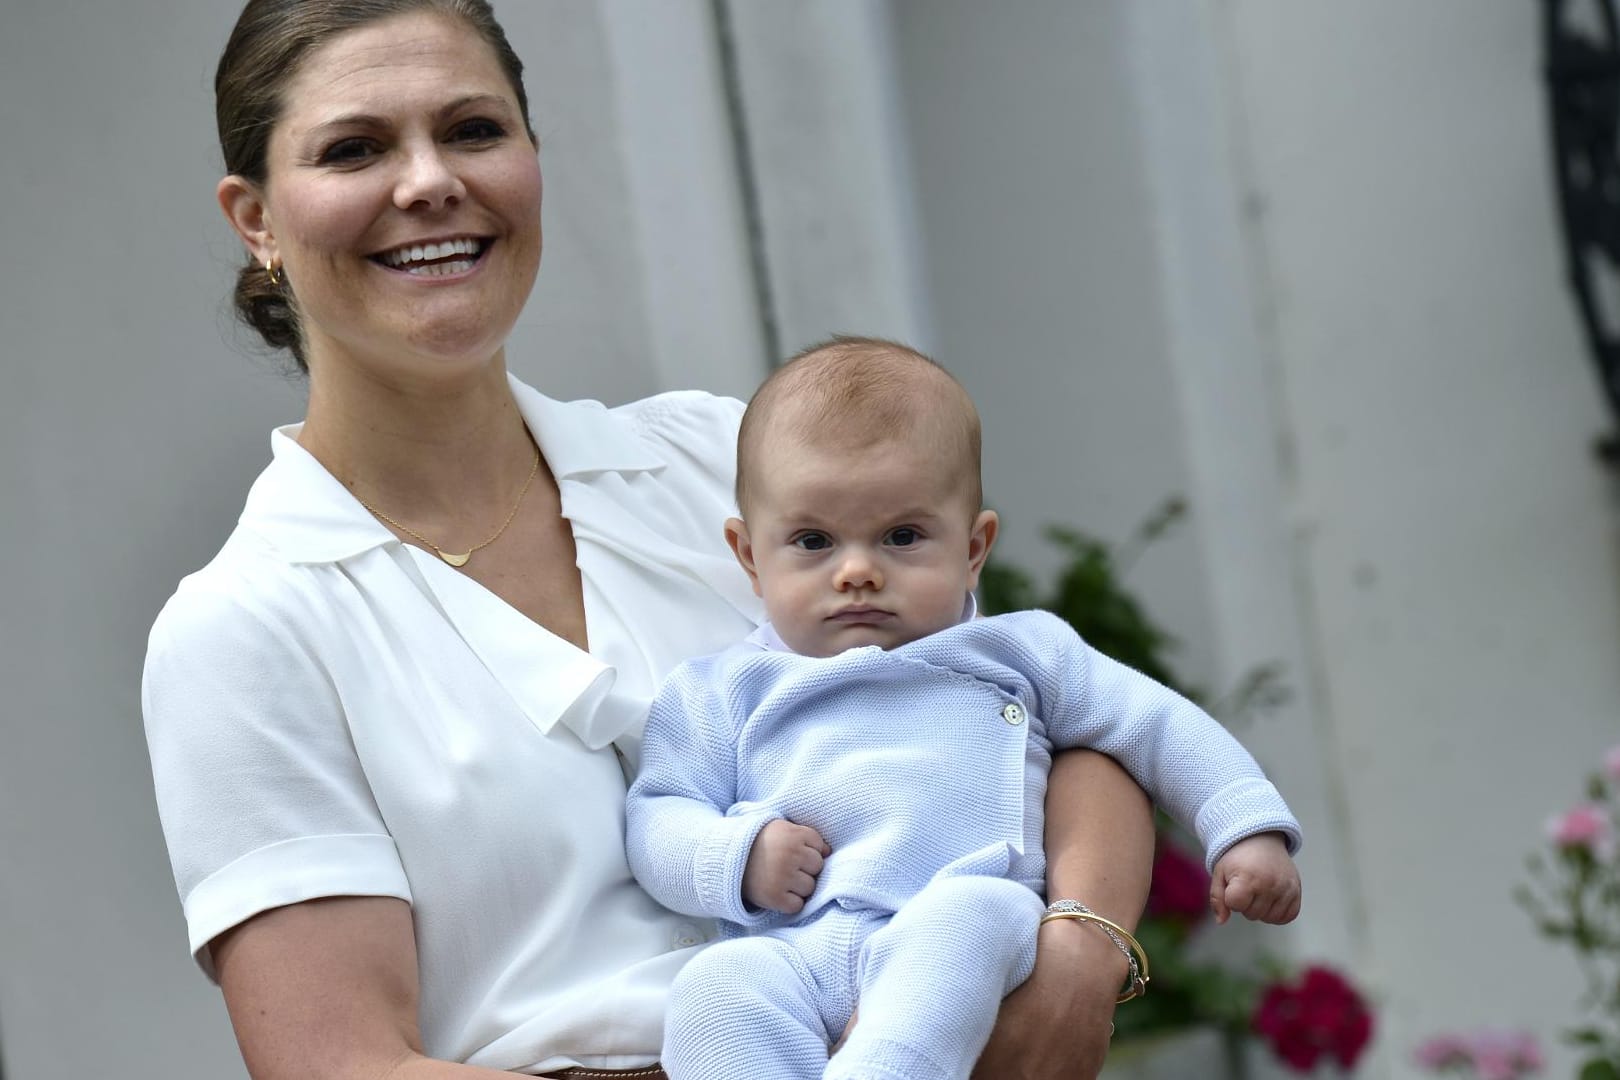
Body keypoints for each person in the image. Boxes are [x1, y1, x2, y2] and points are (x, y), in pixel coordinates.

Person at [140, 2, 1159, 1078]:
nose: (430, 180)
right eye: (356, 148)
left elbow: (1039, 717)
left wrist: (1078, 959)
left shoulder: (724, 463)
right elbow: (340, 1066)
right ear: (254, 218)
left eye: (476, 130)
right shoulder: (247, 630)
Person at [625, 337, 1304, 1080]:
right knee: (715, 990)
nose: (857, 571)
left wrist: (1244, 828)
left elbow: (1157, 723)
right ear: (751, 556)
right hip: (796, 948)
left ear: (974, 547)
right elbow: (660, 814)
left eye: (903, 536)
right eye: (813, 541)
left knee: (969, 923)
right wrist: (737, 855)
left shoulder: (1022, 653)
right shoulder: (720, 689)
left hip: (957, 916)